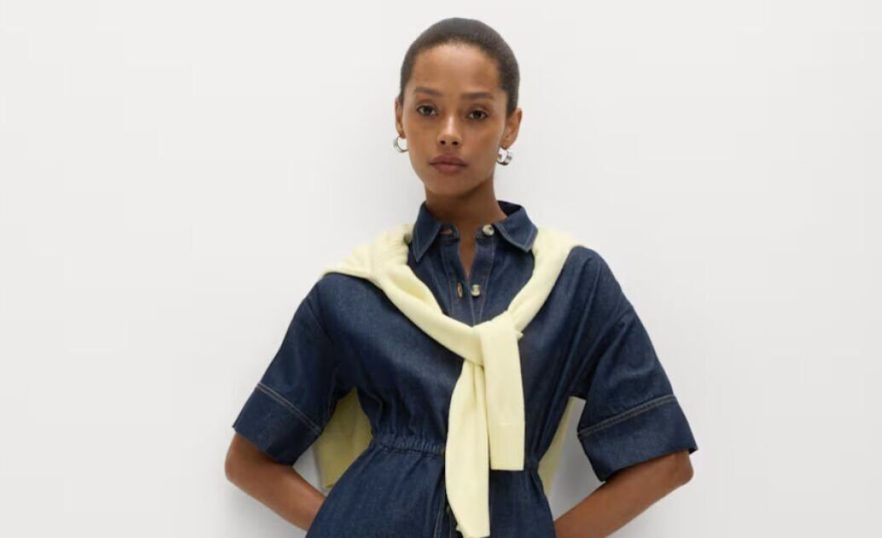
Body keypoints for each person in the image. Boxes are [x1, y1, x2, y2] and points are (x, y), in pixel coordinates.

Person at [225, 17, 698, 538]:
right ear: (400, 117)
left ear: (510, 125)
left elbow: (663, 461)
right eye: (428, 109)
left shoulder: (572, 281)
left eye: (476, 113)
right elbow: (250, 461)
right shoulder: (357, 288)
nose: (449, 132)